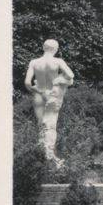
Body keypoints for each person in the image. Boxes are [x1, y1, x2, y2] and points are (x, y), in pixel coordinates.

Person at [24, 39, 74, 167]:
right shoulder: (58, 61)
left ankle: (43, 155)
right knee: (51, 124)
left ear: (43, 47)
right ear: (56, 49)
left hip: (38, 95)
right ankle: (50, 157)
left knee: (41, 125)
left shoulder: (34, 62)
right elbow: (70, 75)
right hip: (52, 95)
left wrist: (39, 90)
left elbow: (28, 83)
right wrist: (58, 81)